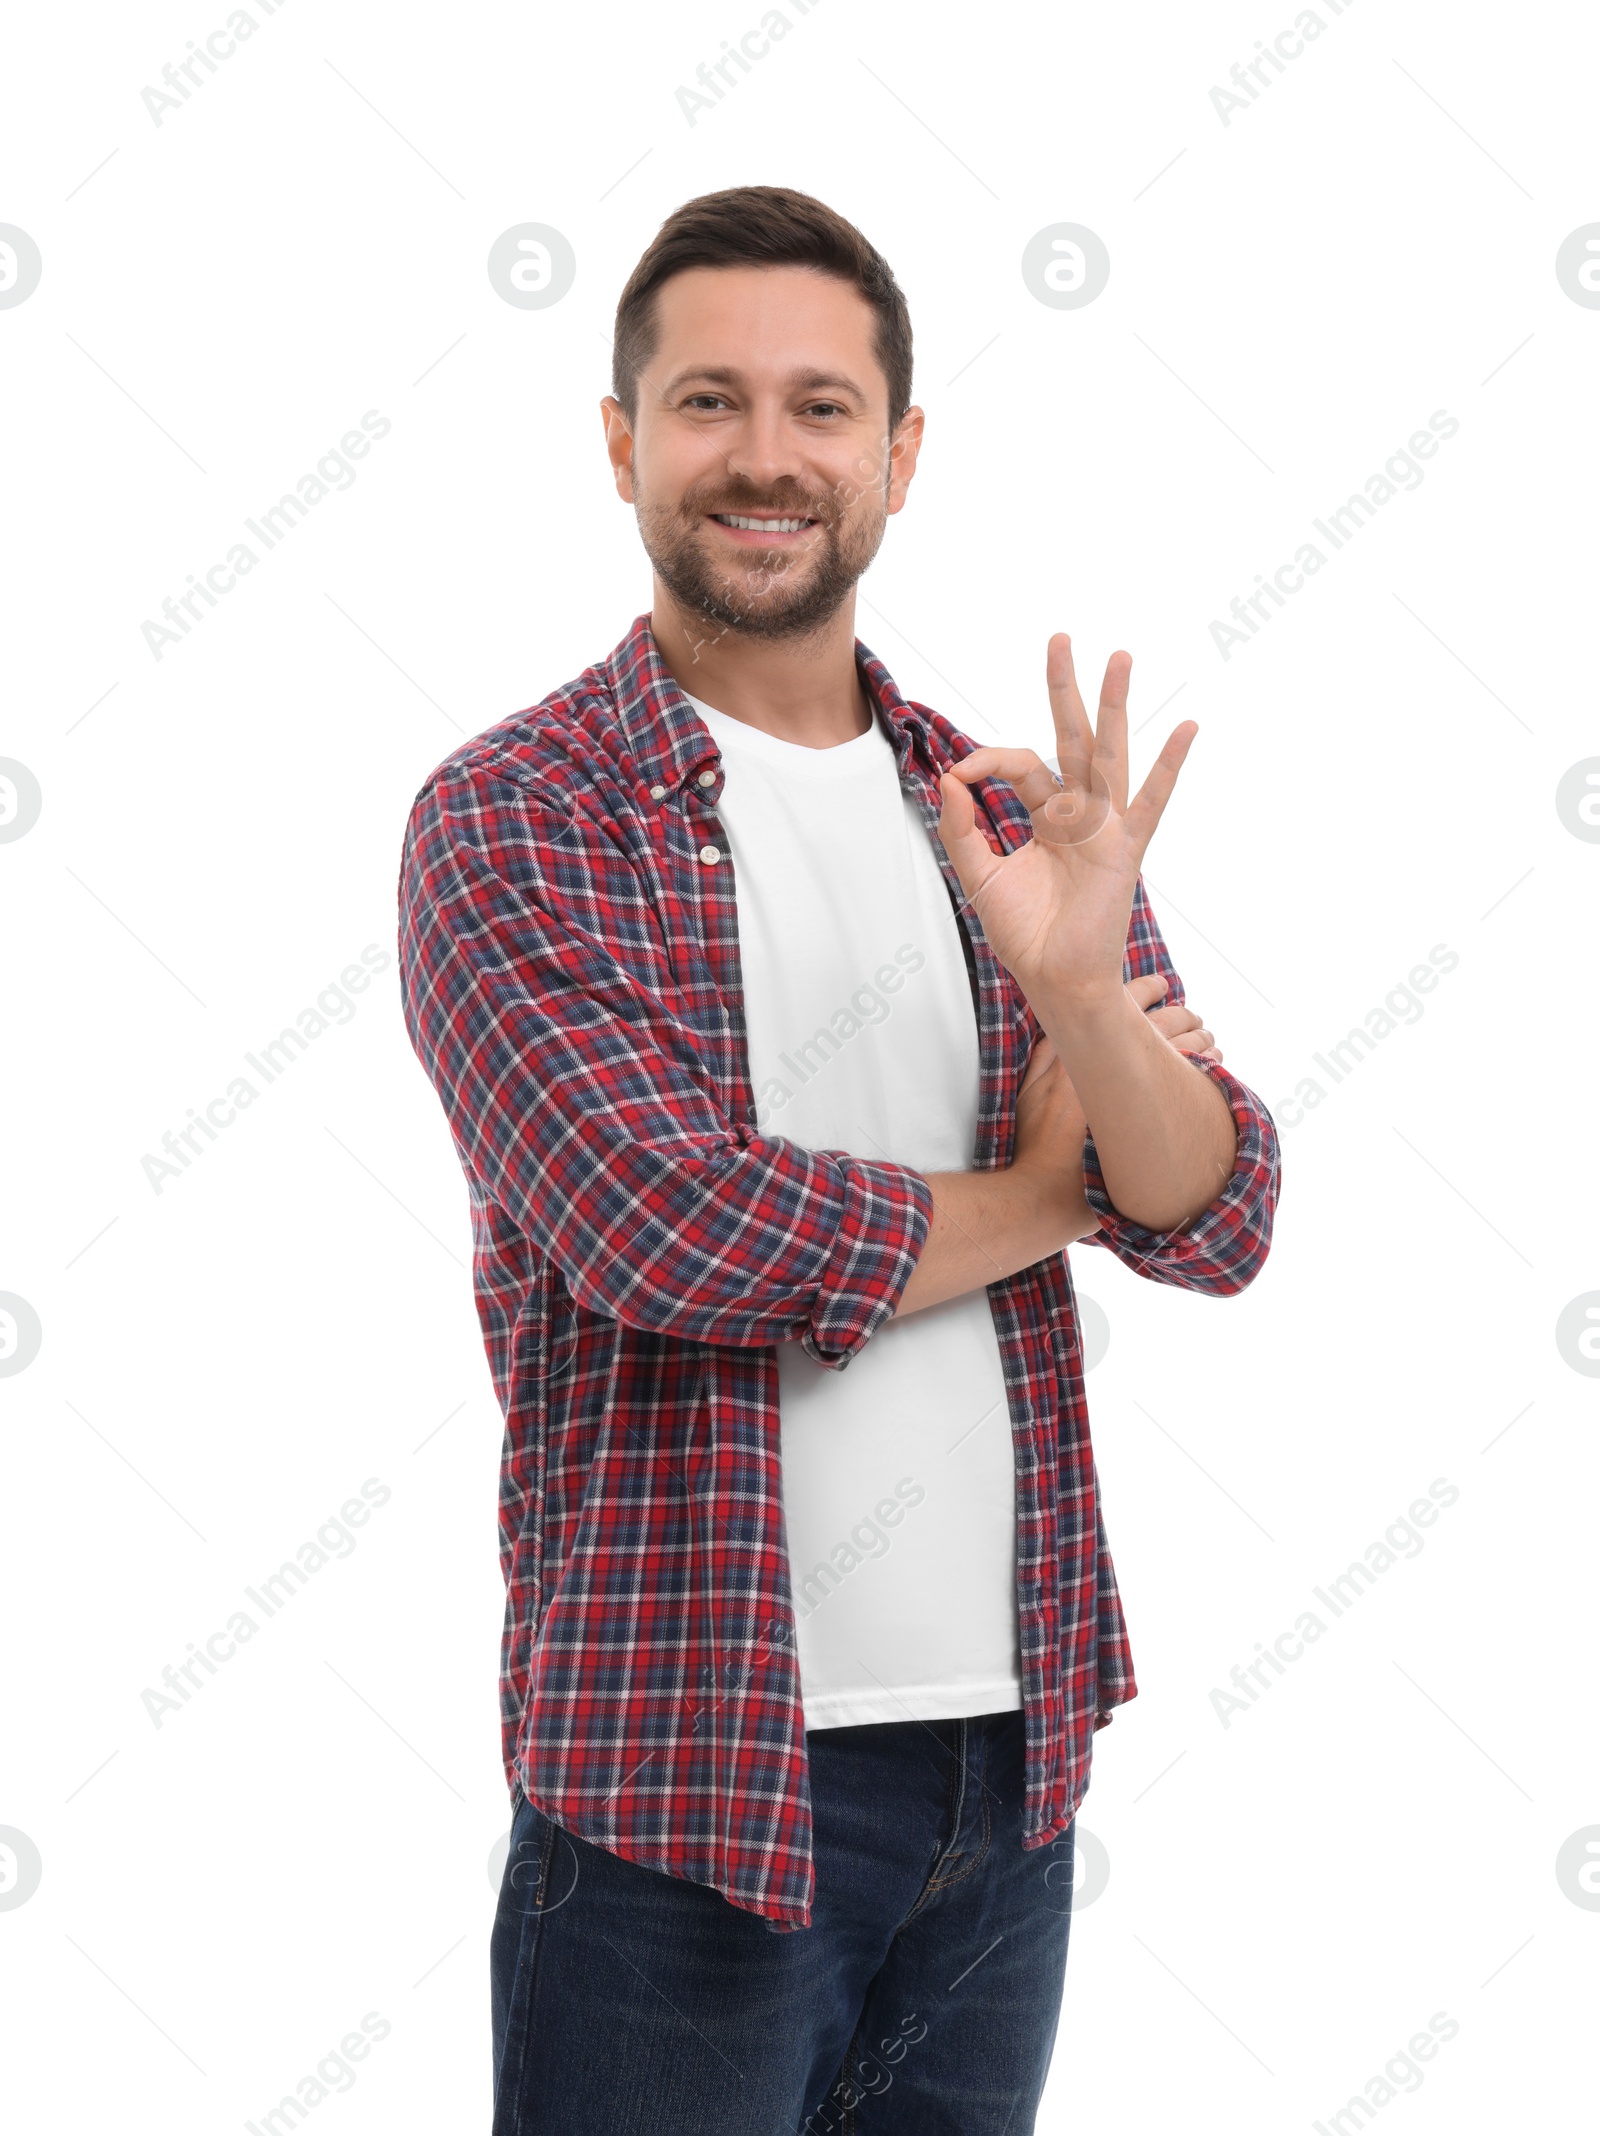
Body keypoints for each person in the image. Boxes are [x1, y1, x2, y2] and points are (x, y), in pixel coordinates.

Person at [398, 184, 1280, 2136]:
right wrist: (1058, 1190)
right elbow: (666, 1229)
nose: (764, 454)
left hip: (1005, 1774)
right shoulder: (514, 818)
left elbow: (1213, 1210)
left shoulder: (997, 814)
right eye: (708, 401)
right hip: (682, 1795)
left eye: (819, 405)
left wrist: (1083, 992)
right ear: (624, 443)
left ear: (896, 454)